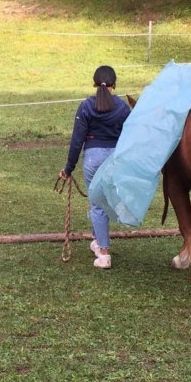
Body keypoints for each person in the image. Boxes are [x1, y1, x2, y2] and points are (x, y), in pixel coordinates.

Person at [59, 65, 131, 269]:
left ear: (94, 83)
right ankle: (97, 241)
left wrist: (68, 169)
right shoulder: (123, 107)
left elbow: (76, 141)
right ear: (114, 84)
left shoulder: (86, 106)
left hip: (93, 158)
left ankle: (104, 253)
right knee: (105, 200)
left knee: (97, 204)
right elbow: (129, 136)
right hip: (115, 158)